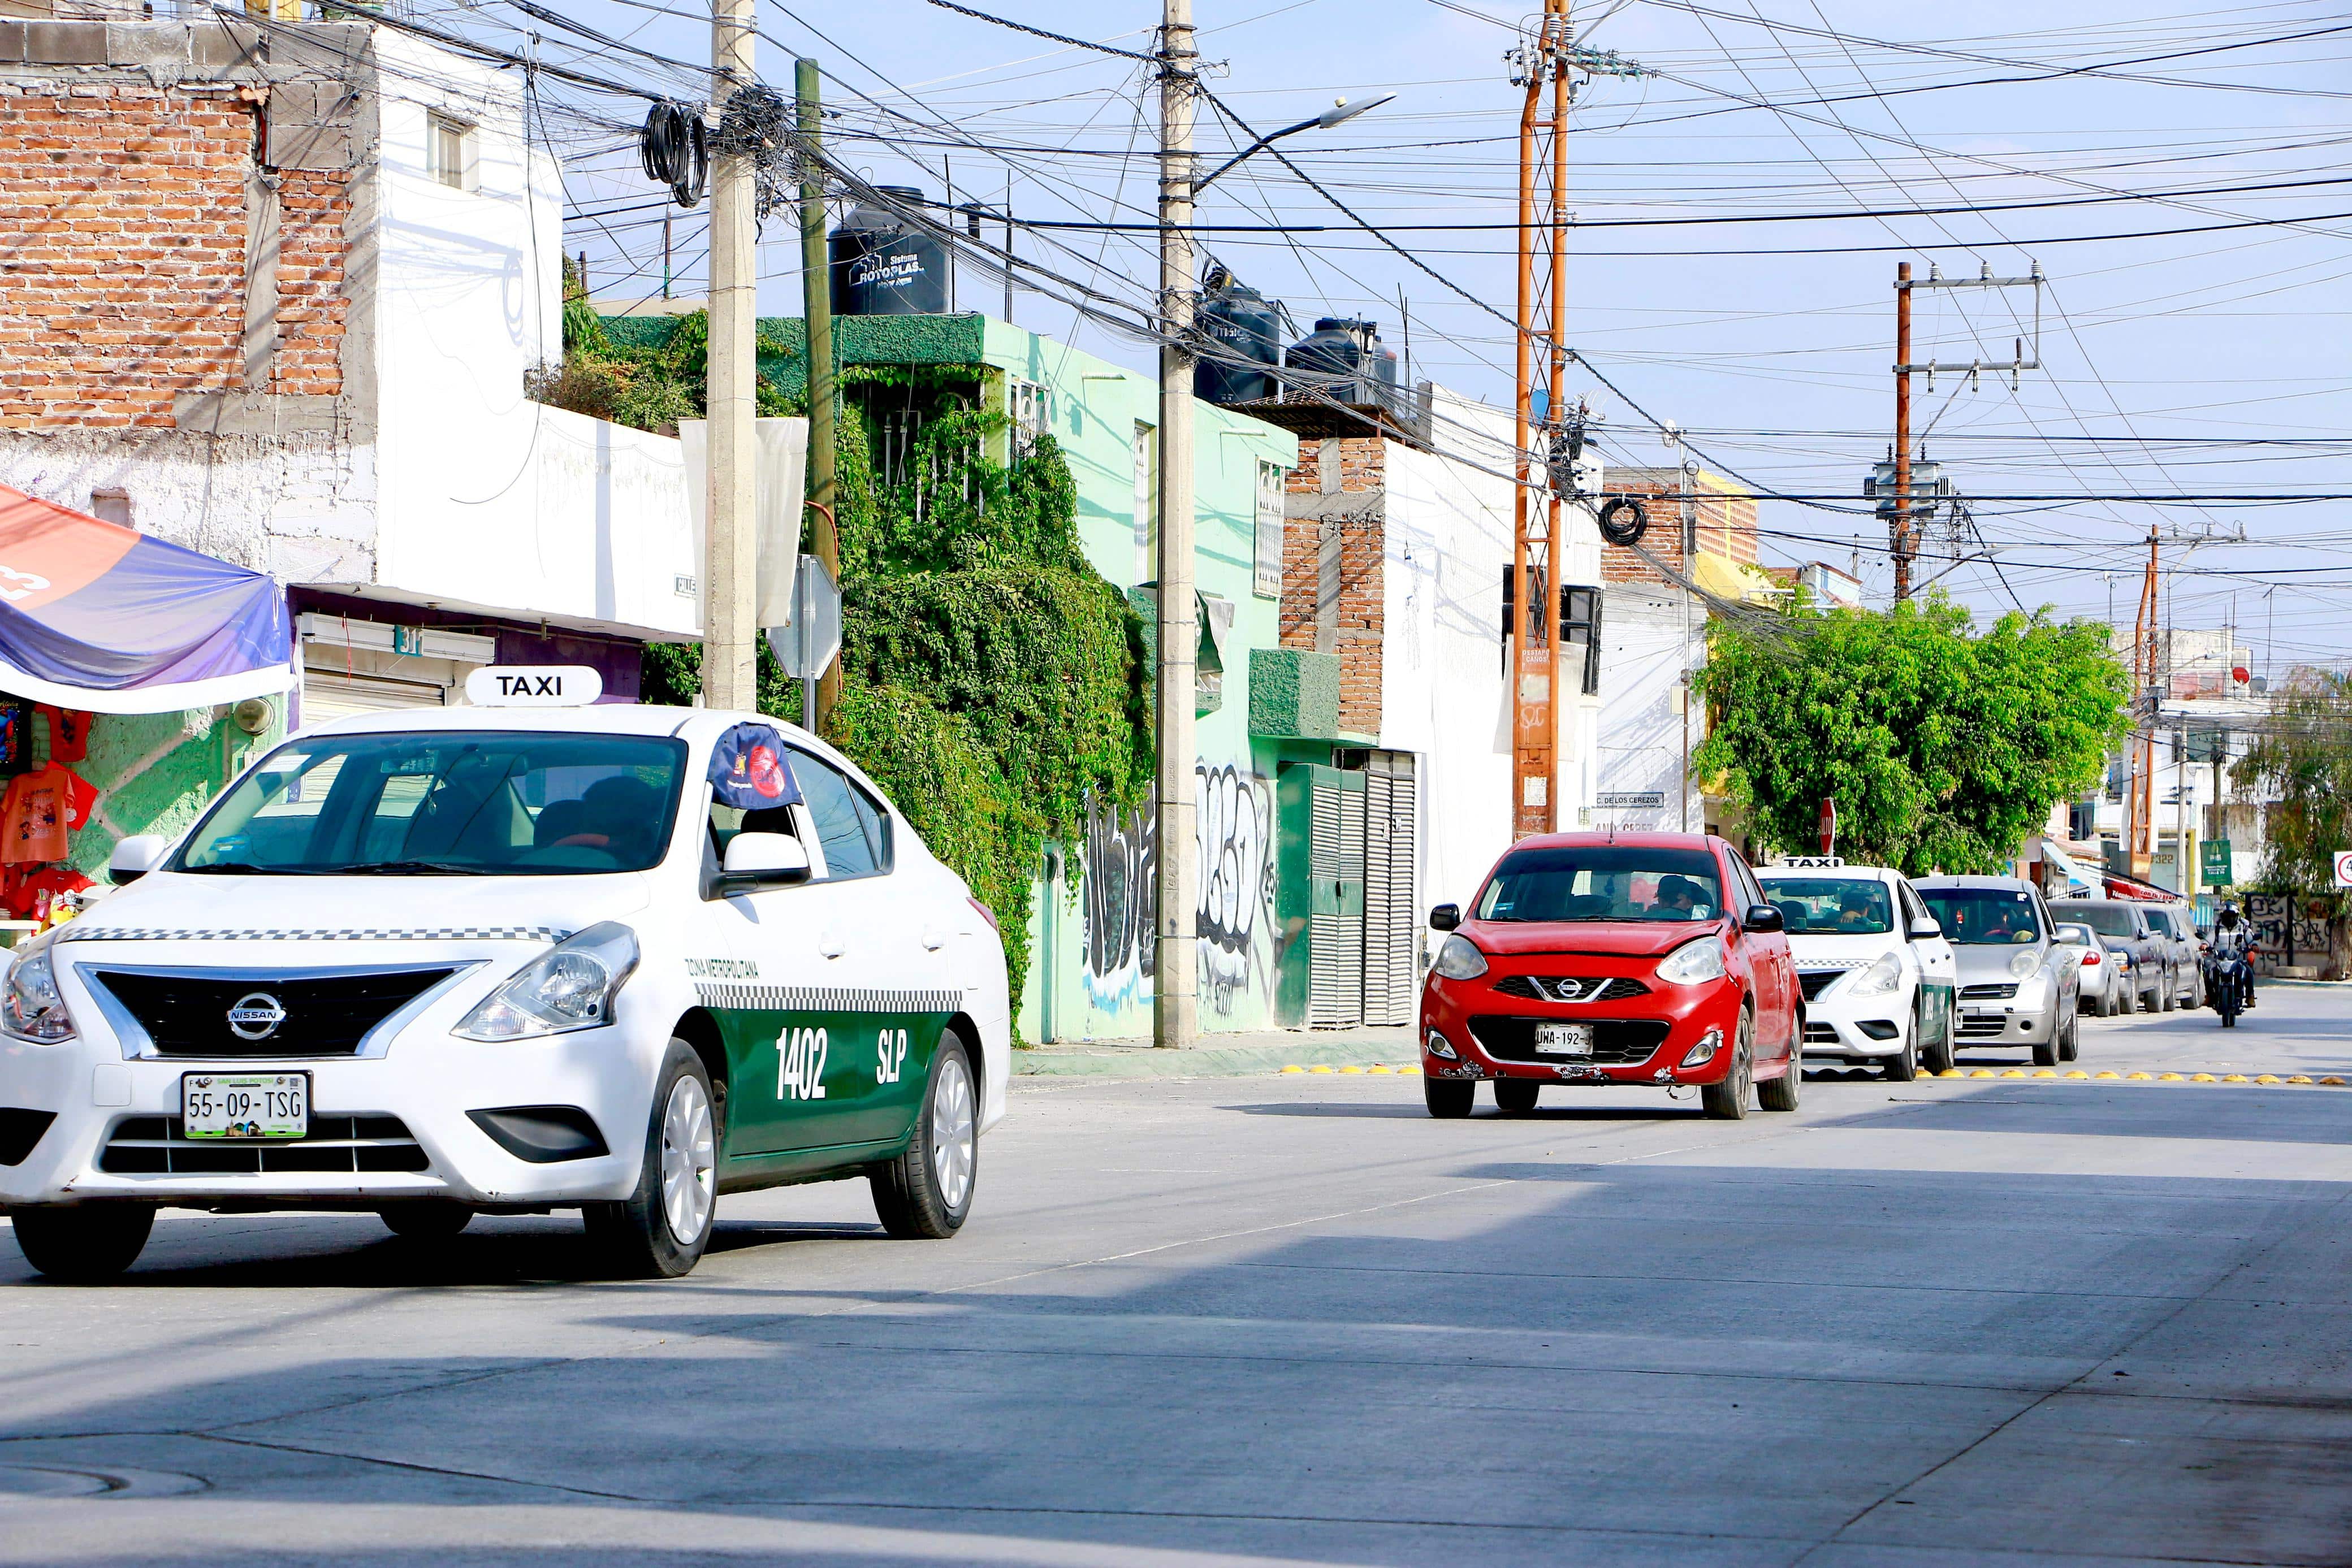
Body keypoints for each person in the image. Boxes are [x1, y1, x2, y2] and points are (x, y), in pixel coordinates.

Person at [2210, 900, 2258, 1010]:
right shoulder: (2217, 928)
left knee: (2248, 972)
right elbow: (2209, 938)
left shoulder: (2243, 928)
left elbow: (2251, 939)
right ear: (2222, 916)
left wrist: (2254, 945)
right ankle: (2210, 996)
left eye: (2232, 915)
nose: (2230, 918)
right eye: (2227, 915)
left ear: (2237, 916)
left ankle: (2250, 996)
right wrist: (2204, 944)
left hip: (2237, 960)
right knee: (2209, 972)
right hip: (2220, 960)